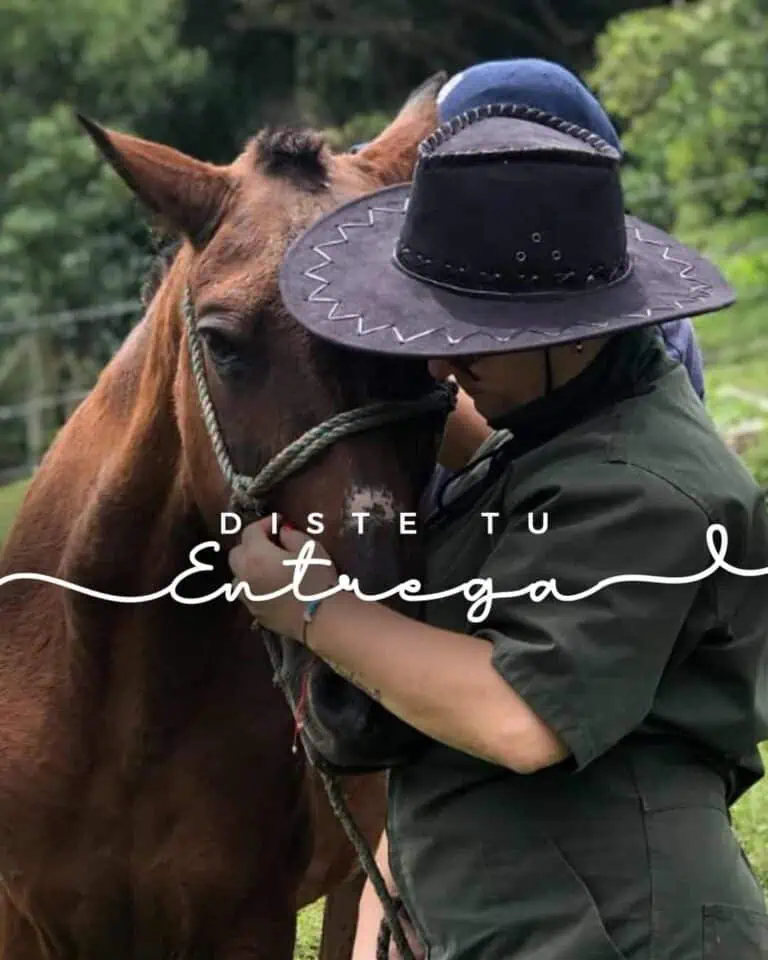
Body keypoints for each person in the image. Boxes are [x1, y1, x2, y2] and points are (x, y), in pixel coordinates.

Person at [229, 107, 768, 960]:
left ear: (575, 327)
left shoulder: (650, 491)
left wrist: (311, 609)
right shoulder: (562, 436)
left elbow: (518, 716)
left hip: (618, 932)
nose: (446, 367)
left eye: (474, 338)